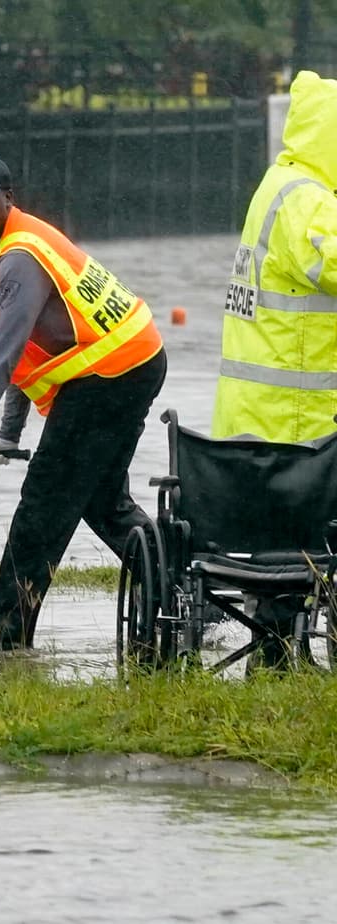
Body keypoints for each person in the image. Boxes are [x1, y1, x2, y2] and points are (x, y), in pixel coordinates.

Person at [0, 152, 167, 651]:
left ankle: (3, 635)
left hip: (112, 374)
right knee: (102, 501)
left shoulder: (18, 258)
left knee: (43, 504)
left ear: (7, 198)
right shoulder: (13, 241)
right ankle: (185, 593)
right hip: (131, 363)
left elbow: (4, 351)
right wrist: (8, 433)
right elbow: (31, 355)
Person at [211, 70, 337, 666]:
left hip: (253, 416)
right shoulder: (310, 202)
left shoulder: (277, 186)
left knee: (280, 549)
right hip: (298, 419)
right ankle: (281, 653)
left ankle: (278, 648)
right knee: (302, 540)